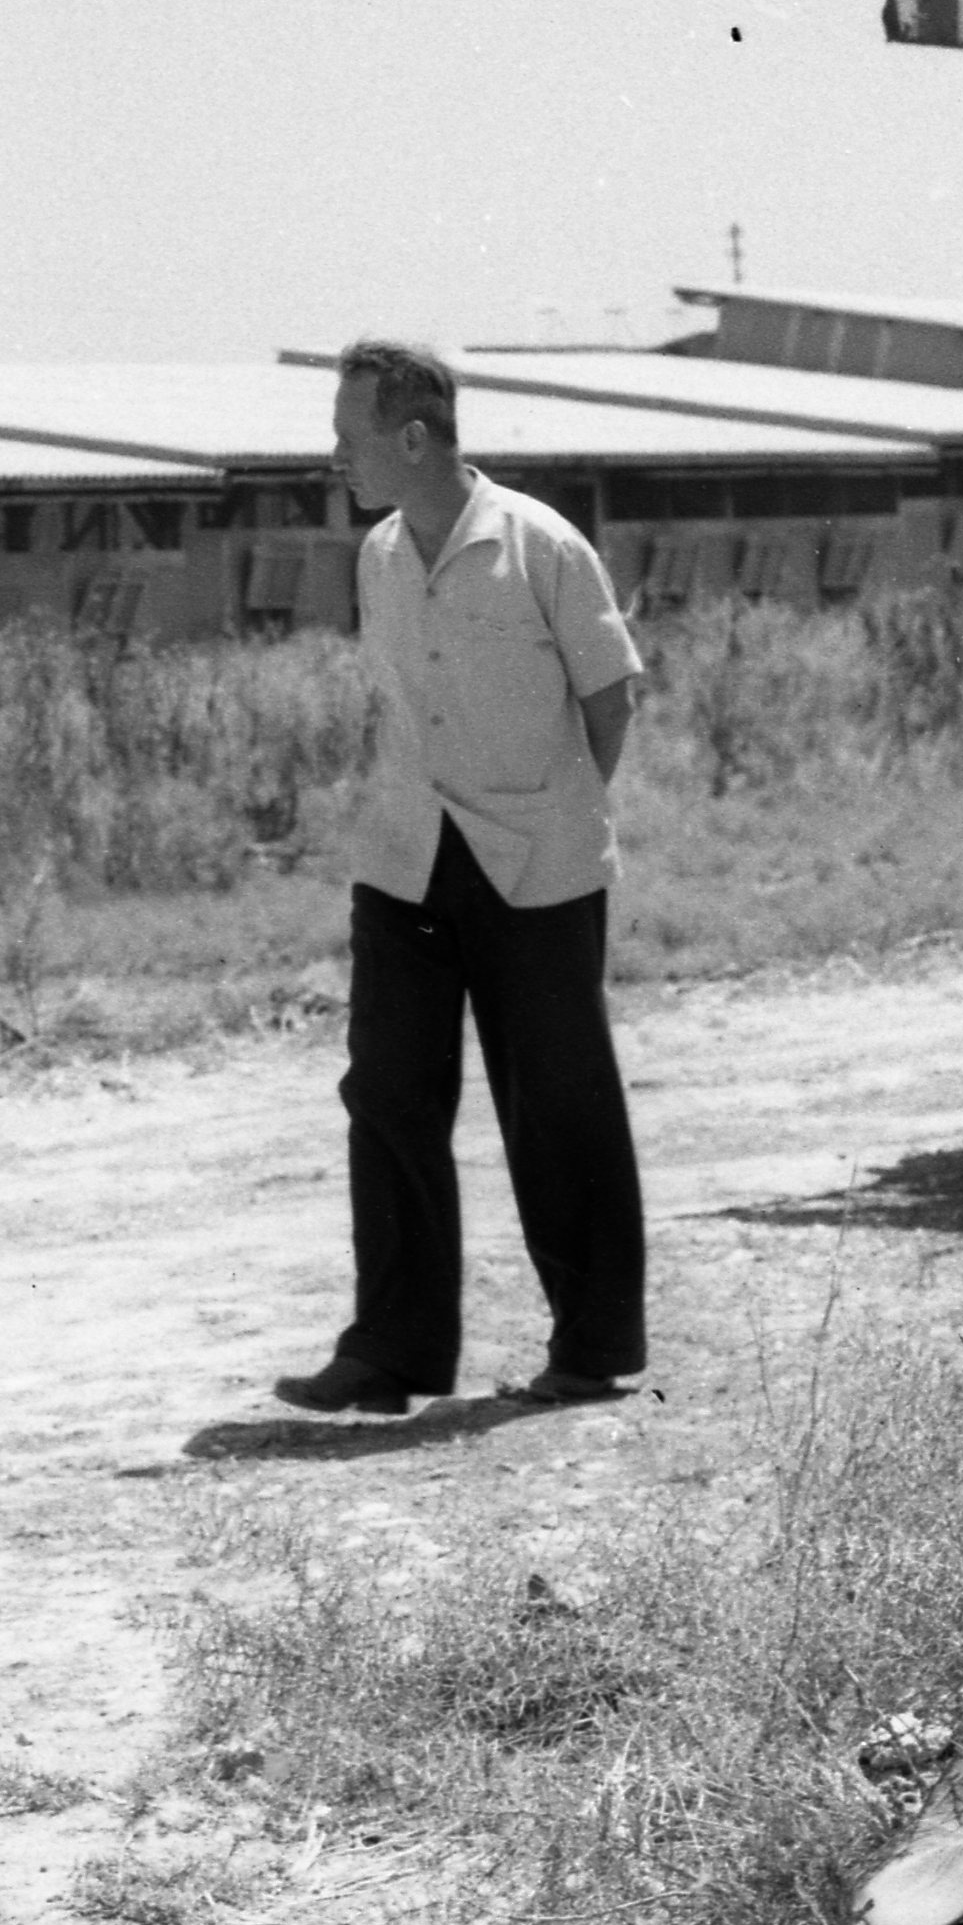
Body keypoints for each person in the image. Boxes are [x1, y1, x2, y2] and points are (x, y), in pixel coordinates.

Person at [272, 335, 651, 1416]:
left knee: (557, 1103)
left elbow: (610, 697)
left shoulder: (540, 545)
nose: (333, 456)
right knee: (388, 1091)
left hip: (536, 866)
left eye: (347, 436)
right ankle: (390, 1353)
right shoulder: (378, 555)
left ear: (412, 435)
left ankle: (592, 1348)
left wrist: (559, 811)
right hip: (405, 861)